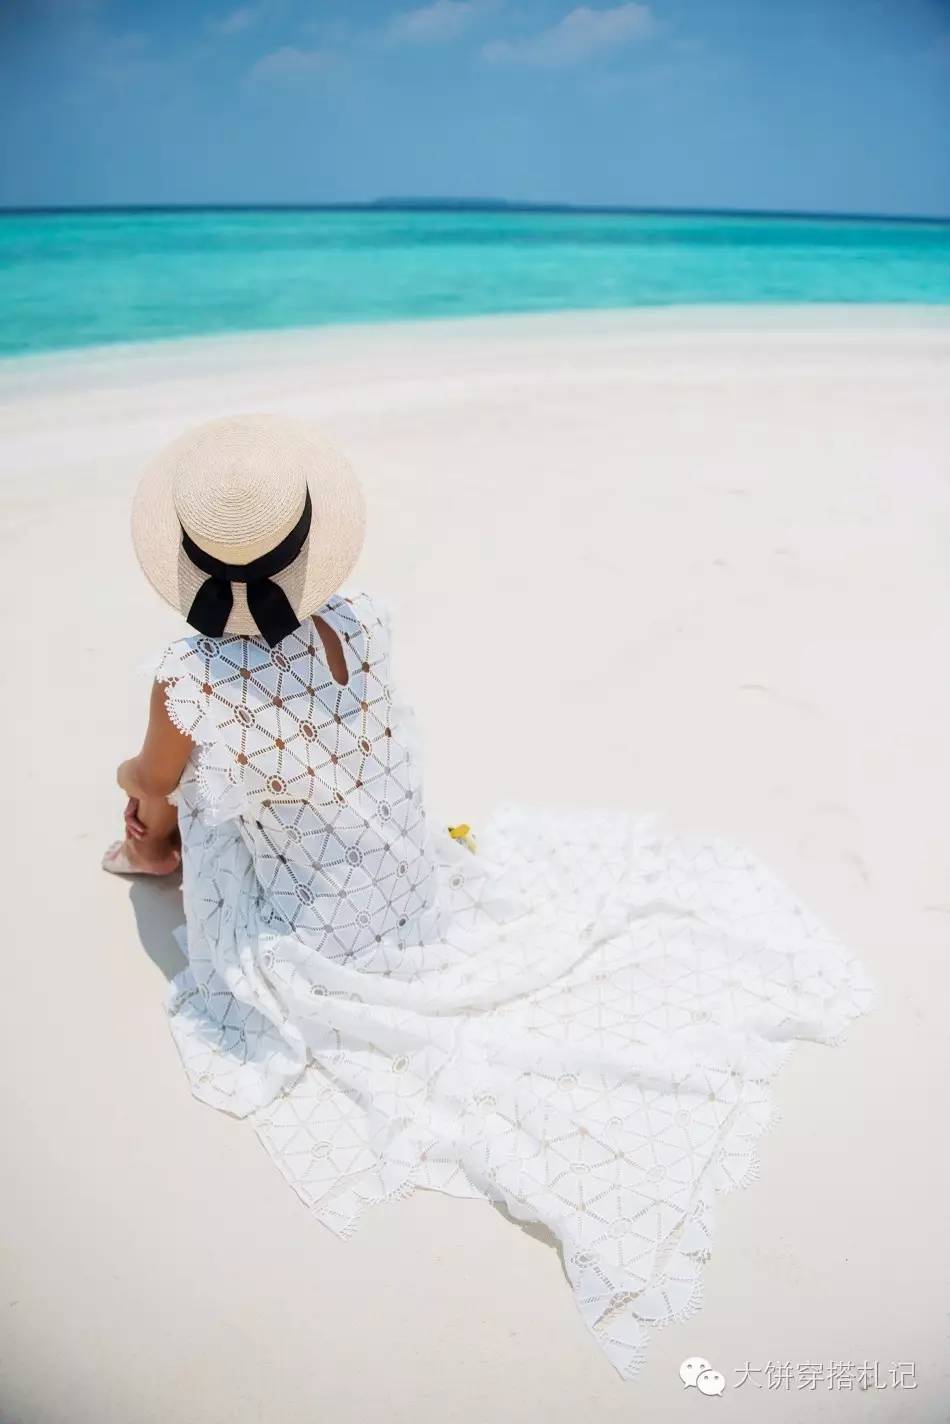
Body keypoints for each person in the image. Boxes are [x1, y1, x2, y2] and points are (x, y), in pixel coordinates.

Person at [107, 413, 872, 1380]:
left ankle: (150, 860)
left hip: (324, 931)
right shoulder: (362, 619)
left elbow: (153, 775)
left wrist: (142, 802)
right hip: (407, 884)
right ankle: (175, 840)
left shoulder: (191, 677)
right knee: (231, 772)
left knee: (176, 792)